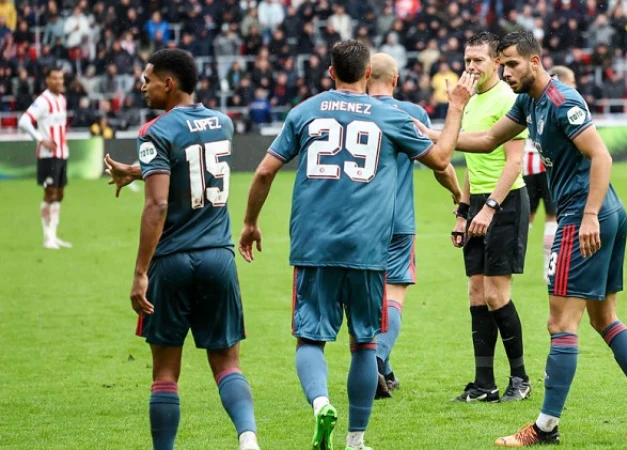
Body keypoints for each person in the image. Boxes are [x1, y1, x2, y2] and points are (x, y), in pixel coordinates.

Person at [414, 31, 627, 446]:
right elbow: (485, 141)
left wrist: (587, 216)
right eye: (504, 64)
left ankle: (546, 427)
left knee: (560, 323)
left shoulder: (560, 101)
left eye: (512, 63)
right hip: (604, 213)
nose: (506, 71)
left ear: (535, 61)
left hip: (584, 215)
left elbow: (601, 156)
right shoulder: (527, 101)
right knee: (604, 319)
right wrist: (431, 135)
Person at [237, 40, 474, 450]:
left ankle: (321, 403)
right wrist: (455, 106)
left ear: (331, 72)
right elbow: (440, 160)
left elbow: (263, 172)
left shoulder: (304, 111)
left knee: (310, 339)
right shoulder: (389, 114)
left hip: (313, 245)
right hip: (369, 246)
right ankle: (356, 439)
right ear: (368, 75)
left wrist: (250, 223)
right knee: (365, 342)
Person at [105, 49, 260, 450]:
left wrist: (140, 272)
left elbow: (157, 202)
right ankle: (248, 439)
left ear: (168, 83)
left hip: (172, 262)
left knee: (165, 374)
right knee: (227, 364)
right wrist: (136, 168)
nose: (142, 85)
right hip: (218, 257)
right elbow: (192, 160)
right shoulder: (223, 123)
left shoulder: (154, 131)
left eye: (148, 78)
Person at [367, 53, 463, 399]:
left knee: (367, 299)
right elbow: (439, 163)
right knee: (393, 296)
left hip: (355, 222)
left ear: (364, 78)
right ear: (395, 81)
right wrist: (456, 193)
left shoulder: (349, 111)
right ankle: (375, 362)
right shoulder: (412, 114)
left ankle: (385, 370)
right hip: (397, 220)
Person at [450, 31, 532, 403]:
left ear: (496, 62)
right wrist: (463, 210)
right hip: (480, 204)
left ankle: (521, 379)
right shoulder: (468, 101)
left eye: (478, 60)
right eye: (467, 60)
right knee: (476, 293)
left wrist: (489, 207)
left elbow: (514, 162)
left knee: (497, 295)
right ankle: (485, 384)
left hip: (507, 201)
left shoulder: (510, 100)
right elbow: (473, 163)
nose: (471, 67)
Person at [523, 66, 574, 283]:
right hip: (548, 168)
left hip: (526, 167)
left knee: (527, 217)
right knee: (552, 217)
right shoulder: (559, 101)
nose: (574, 86)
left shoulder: (533, 101)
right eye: (572, 81)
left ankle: (511, 260)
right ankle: (548, 269)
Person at [18, 66, 72, 249]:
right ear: (47, 80)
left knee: (60, 193)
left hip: (62, 153)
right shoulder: (43, 101)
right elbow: (24, 121)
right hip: (48, 156)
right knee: (50, 193)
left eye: (61, 78)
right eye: (55, 78)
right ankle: (47, 237)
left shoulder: (62, 100)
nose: (59, 81)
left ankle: (54, 235)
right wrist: (42, 140)